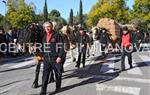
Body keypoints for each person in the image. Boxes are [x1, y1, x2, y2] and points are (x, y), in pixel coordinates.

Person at [39, 21, 64, 95]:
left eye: (48, 26)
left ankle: (58, 87)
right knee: (45, 75)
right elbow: (42, 47)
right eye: (45, 27)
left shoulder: (57, 35)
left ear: (52, 27)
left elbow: (61, 46)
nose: (47, 28)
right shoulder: (44, 36)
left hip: (55, 58)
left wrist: (59, 56)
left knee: (57, 74)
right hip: (46, 59)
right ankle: (43, 91)